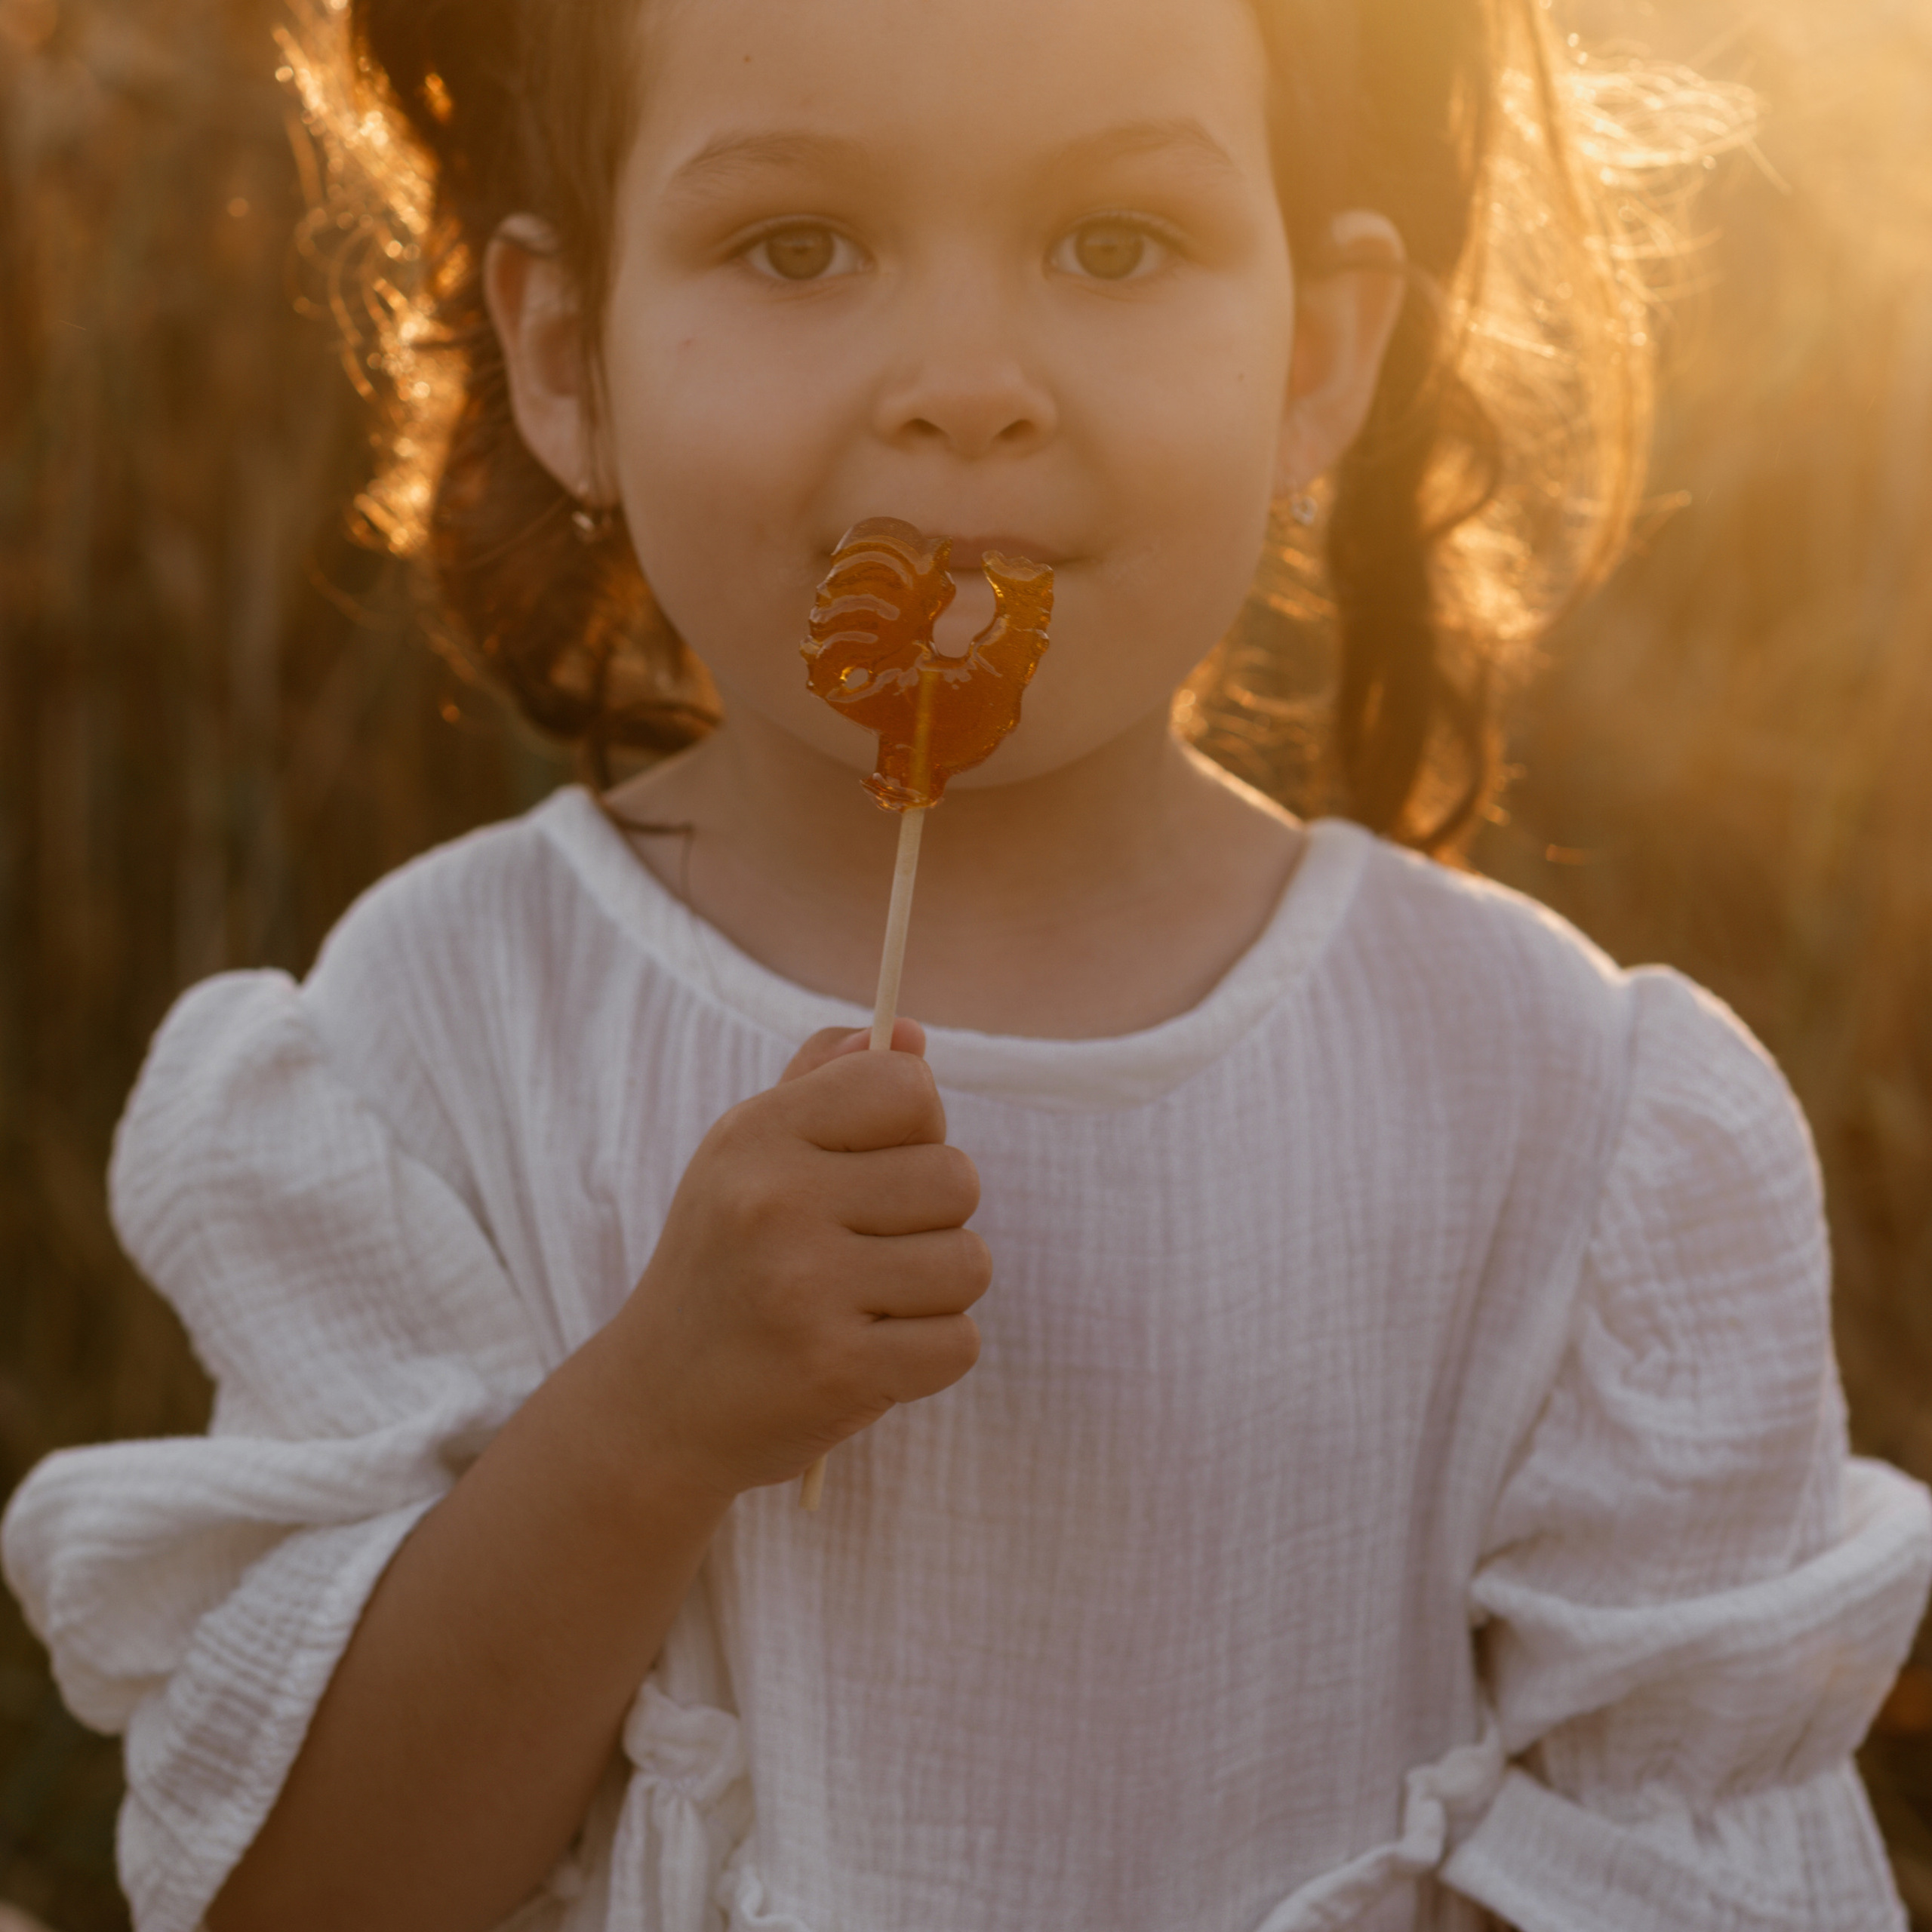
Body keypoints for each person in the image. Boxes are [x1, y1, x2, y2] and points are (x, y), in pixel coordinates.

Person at [5, 0, 1928, 1927]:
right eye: (795, 244)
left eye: (1111, 244)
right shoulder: (438, 1042)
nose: (965, 382)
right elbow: (303, 1893)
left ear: (1313, 359)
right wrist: (644, 1424)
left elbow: (1702, 1871)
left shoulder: (1557, 1119)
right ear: (567, 354)